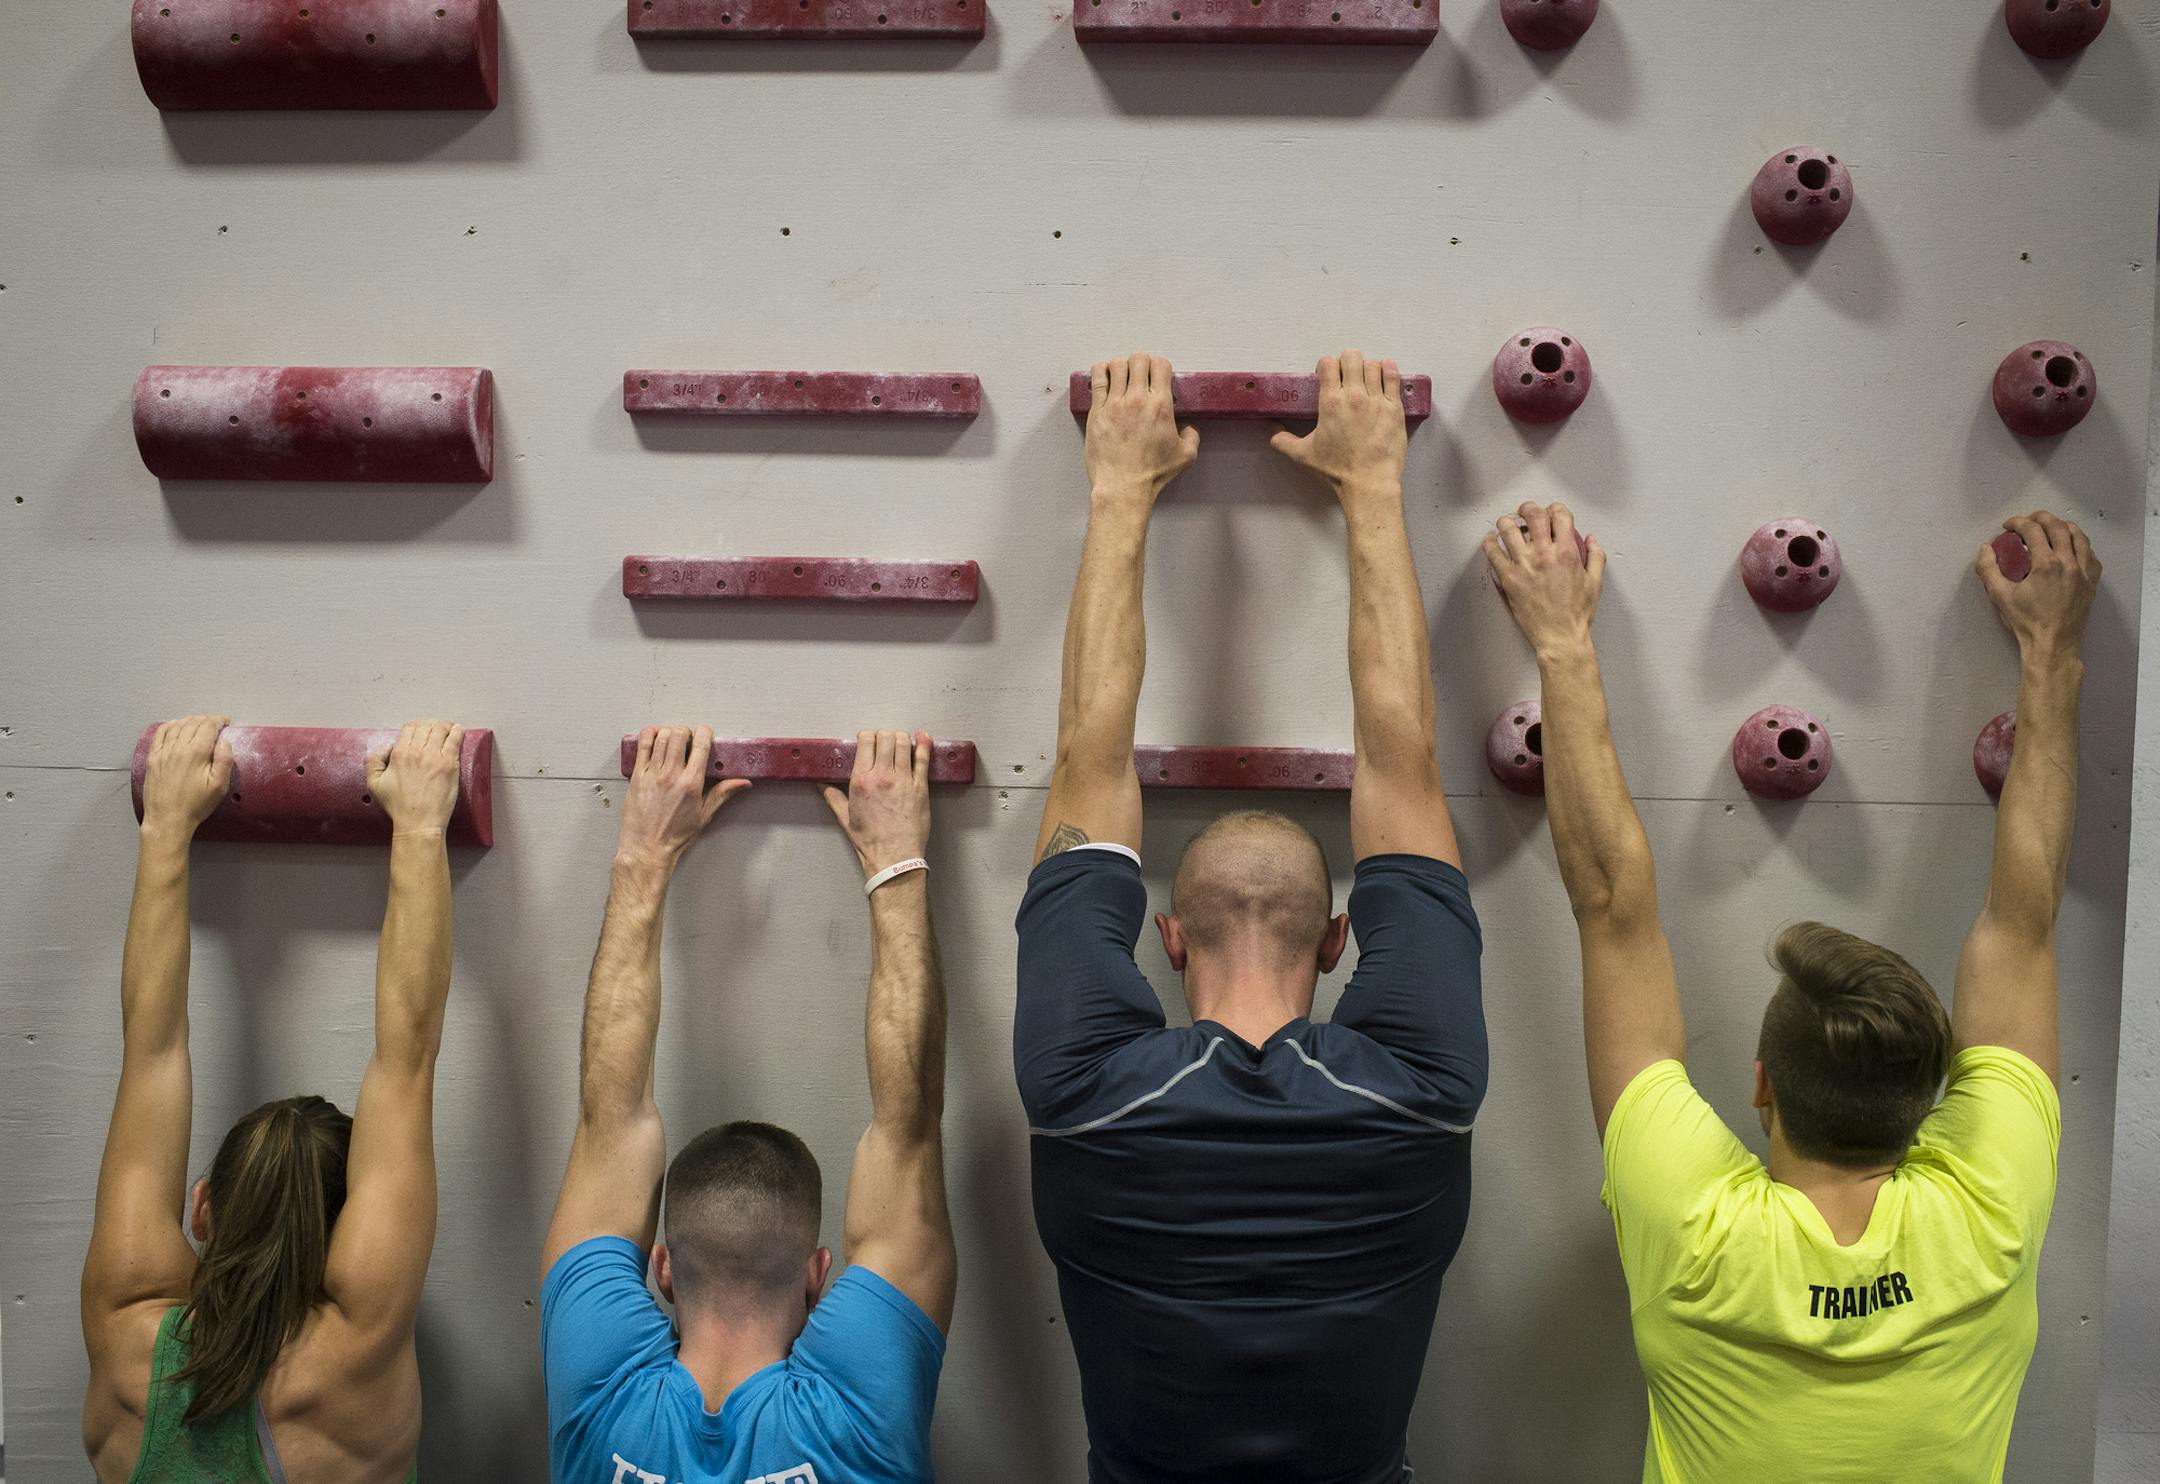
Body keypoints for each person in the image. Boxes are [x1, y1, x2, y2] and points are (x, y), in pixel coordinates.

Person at [1484, 502, 2100, 1482]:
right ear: (1938, 1097)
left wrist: (1561, 639)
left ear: (1762, 1082)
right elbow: (2022, 928)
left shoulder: (1699, 1230)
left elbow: (1610, 903)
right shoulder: (1992, 1209)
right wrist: (2052, 652)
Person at [1017, 351, 1487, 1483]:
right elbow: (1405, 764)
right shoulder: (1419, 1088)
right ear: (1340, 942)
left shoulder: (1084, 1092)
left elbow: (1088, 755)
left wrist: (1121, 489)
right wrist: (1373, 485)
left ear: (1165, 935)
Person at [541, 726, 956, 1484]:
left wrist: (643, 856)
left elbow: (611, 1118)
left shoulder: (597, 1384)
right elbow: (909, 1126)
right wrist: (896, 861)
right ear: (818, 1275)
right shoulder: (860, 1411)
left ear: (661, 1268)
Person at [81, 717, 468, 1484]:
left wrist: (165, 825)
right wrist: (422, 826)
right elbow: (406, 1060)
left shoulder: (128, 1335)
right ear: (343, 1240)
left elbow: (151, 1055)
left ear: (201, 1207)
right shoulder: (356, 1353)